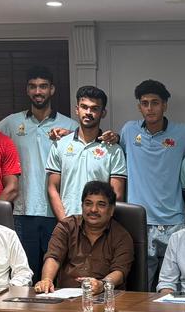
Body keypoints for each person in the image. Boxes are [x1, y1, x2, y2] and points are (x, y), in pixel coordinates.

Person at [0, 67, 79, 281]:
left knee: (58, 274)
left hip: (58, 212)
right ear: (27, 90)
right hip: (22, 212)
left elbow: (90, 147)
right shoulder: (11, 123)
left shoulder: (70, 125)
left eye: (43, 86)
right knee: (26, 273)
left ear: (52, 90)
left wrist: (72, 135)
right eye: (33, 87)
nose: (38, 91)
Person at [120, 79, 185, 289]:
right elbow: (115, 151)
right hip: (140, 220)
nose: (150, 108)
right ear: (139, 106)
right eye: (145, 103)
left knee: (177, 285)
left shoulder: (184, 133)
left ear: (164, 105)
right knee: (140, 286)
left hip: (174, 220)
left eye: (155, 102)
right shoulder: (129, 131)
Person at [34, 180, 133, 295]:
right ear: (82, 206)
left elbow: (120, 271)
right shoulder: (67, 227)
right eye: (88, 203)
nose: (93, 209)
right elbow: (53, 257)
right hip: (65, 298)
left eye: (101, 204)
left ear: (111, 210)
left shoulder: (121, 236)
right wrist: (47, 280)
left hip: (104, 297)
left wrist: (102, 285)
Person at [46, 85, 127, 217]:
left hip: (100, 223)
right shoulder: (60, 145)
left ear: (103, 113)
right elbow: (52, 188)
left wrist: (100, 223)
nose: (88, 112)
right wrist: (65, 222)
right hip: (68, 220)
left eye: (94, 108)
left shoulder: (114, 150)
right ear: (77, 110)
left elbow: (116, 195)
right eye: (84, 107)